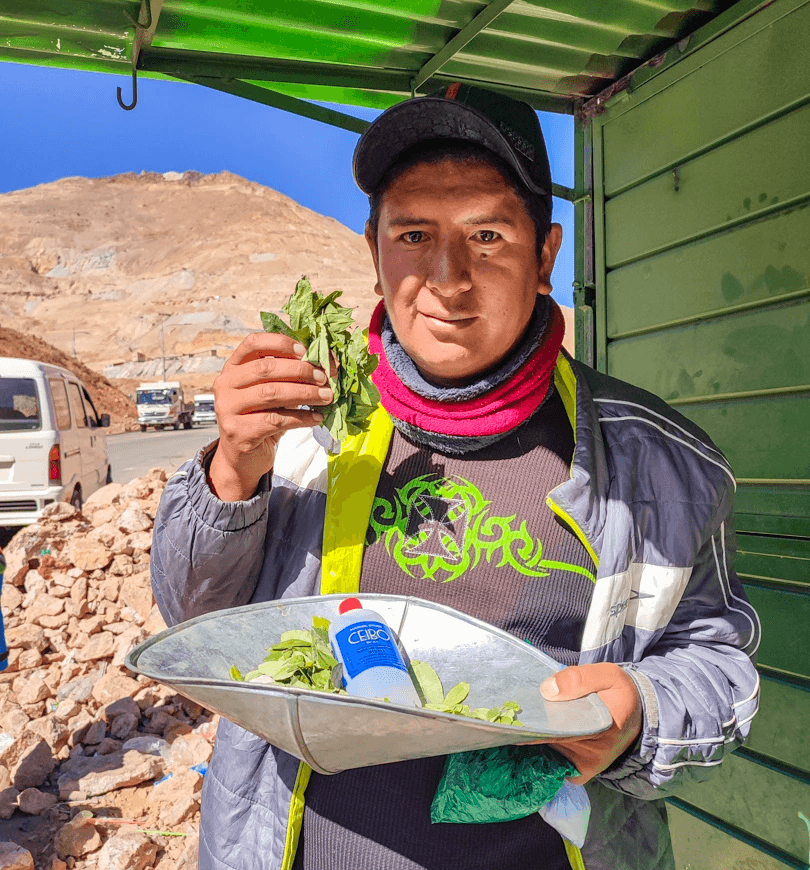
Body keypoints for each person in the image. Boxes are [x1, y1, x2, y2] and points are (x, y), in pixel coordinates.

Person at [151, 84, 760, 870]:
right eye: (412, 234)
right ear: (374, 251)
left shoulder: (659, 463)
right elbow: (193, 616)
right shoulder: (301, 430)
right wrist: (233, 467)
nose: (446, 277)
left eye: (487, 236)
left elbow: (717, 659)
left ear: (545, 254)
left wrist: (640, 712)